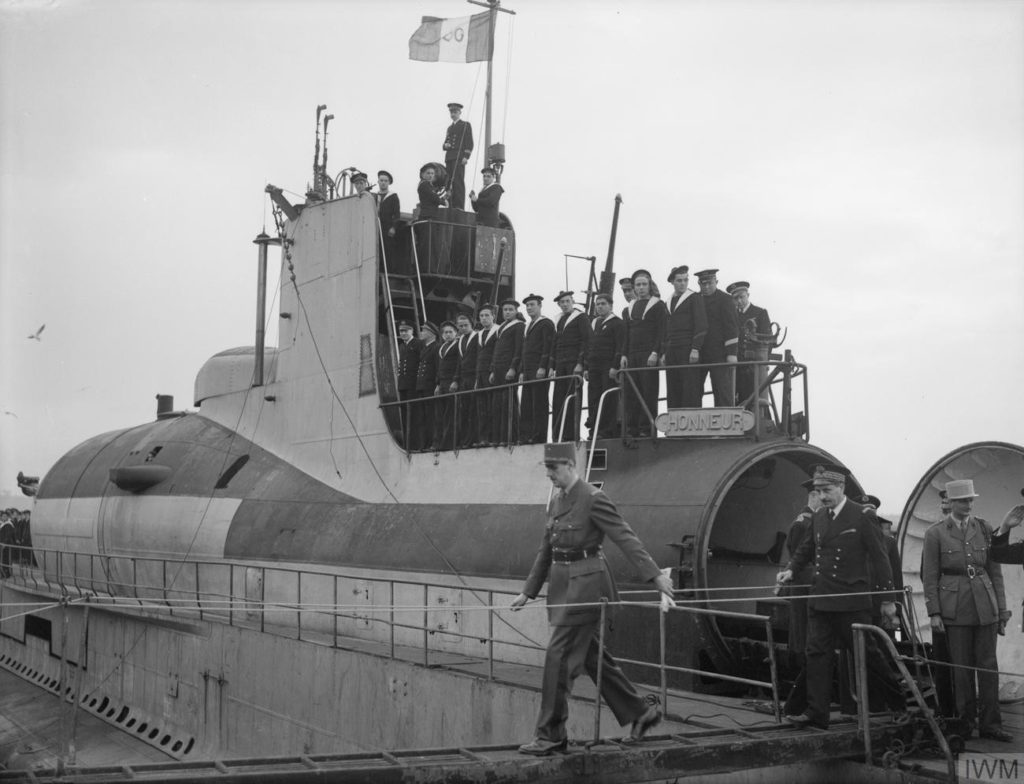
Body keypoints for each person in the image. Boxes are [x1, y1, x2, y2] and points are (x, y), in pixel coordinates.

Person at [511, 442, 677, 755]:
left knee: (557, 658)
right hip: (563, 590)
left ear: (571, 466)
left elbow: (624, 536)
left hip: (587, 589)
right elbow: (546, 549)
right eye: (547, 469)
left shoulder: (592, 498)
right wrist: (528, 591)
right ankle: (642, 713)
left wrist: (655, 576)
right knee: (592, 658)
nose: (549, 475)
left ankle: (551, 735)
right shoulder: (557, 501)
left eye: (554, 469)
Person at [776, 465, 906, 729]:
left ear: (841, 488)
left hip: (850, 601)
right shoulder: (820, 517)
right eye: (819, 491)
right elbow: (806, 548)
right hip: (822, 598)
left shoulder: (862, 517)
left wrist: (888, 600)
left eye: (827, 491)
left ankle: (898, 704)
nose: (823, 496)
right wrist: (790, 569)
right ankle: (816, 713)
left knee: (868, 655)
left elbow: (882, 560)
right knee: (817, 655)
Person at [921, 479, 1012, 741]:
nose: (968, 504)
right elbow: (929, 577)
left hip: (985, 606)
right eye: (962, 500)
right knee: (961, 668)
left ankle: (991, 724)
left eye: (971, 500)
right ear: (950, 502)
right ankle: (965, 722)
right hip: (955, 608)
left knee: (988, 666)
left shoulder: (983, 528)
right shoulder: (935, 533)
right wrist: (934, 612)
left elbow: (996, 573)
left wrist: (1002, 612)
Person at [780, 477, 821, 717]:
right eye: (820, 493)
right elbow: (799, 558)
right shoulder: (802, 523)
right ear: (812, 496)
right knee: (804, 638)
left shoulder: (815, 520)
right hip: (805, 587)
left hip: (811, 587)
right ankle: (801, 697)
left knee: (811, 638)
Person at [620, 270, 666, 438]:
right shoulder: (629, 308)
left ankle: (647, 428)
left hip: (648, 354)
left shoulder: (658, 305)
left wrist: (655, 352)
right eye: (637, 285)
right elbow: (627, 332)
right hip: (632, 354)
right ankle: (631, 429)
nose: (641, 288)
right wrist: (624, 354)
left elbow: (661, 331)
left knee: (648, 392)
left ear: (649, 285)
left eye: (644, 284)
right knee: (631, 393)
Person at [662, 266, 708, 408]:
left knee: (690, 388)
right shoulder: (668, 302)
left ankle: (691, 426)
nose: (683, 283)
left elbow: (702, 325)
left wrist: (695, 348)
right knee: (673, 387)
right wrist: (664, 352)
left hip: (687, 349)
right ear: (672, 282)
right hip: (672, 350)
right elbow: (666, 329)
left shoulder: (694, 298)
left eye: (685, 280)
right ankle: (675, 424)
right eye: (679, 280)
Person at [549, 291, 591, 442]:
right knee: (558, 399)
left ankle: (571, 434)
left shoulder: (581, 317)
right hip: (560, 364)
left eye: (567, 301)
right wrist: (552, 366)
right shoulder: (558, 320)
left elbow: (586, 341)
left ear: (572, 301)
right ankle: (557, 434)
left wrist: (581, 363)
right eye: (562, 302)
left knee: (573, 399)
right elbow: (554, 344)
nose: (565, 304)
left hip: (574, 363)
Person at [695, 270, 739, 407]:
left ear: (716, 282)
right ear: (699, 283)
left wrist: (732, 353)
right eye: (703, 284)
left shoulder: (725, 299)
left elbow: (731, 328)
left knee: (722, 390)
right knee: (695, 390)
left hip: (719, 353)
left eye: (710, 283)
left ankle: (724, 425)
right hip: (699, 352)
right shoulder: (695, 299)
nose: (707, 287)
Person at [585, 293, 625, 439]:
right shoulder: (594, 323)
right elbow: (590, 346)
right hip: (594, 367)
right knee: (593, 398)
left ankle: (606, 430)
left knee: (608, 398)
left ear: (610, 305)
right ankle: (594, 430)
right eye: (598, 304)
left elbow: (619, 346)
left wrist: (615, 366)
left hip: (608, 366)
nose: (600, 306)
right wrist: (587, 367)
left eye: (603, 304)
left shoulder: (617, 323)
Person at [727, 281, 771, 410]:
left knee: (757, 400)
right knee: (736, 400)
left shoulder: (760, 313)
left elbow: (767, 341)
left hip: (754, 366)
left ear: (748, 295)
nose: (739, 301)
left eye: (742, 297)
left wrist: (762, 362)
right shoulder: (732, 315)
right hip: (737, 365)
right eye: (736, 298)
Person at [519, 294, 554, 444]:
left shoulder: (546, 323)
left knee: (539, 403)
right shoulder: (528, 326)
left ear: (540, 306)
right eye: (527, 306)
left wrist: (543, 367)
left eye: (532, 305)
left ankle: (539, 435)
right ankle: (526, 435)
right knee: (527, 403)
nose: (529, 308)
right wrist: (521, 371)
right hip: (527, 370)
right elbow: (524, 350)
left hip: (538, 369)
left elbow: (548, 347)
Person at [489, 299, 525, 444]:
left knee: (509, 402)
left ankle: (510, 437)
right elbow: (496, 351)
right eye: (505, 310)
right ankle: (498, 437)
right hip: (498, 370)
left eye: (510, 309)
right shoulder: (501, 327)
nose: (508, 312)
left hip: (508, 369)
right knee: (497, 404)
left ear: (516, 311)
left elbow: (518, 348)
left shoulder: (519, 326)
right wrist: (492, 370)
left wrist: (513, 368)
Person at [474, 305, 500, 446]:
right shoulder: (479, 334)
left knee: (492, 405)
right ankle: (483, 437)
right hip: (480, 373)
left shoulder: (497, 330)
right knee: (482, 406)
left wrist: (493, 370)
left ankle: (492, 437)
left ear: (493, 316)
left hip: (490, 373)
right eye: (481, 316)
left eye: (486, 315)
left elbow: (497, 352)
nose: (484, 318)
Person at [414, 322, 441, 450]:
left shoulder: (436, 347)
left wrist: (438, 384)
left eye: (424, 331)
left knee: (431, 416)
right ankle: (424, 443)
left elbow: (437, 368)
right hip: (422, 386)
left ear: (431, 333)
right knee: (423, 417)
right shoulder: (425, 348)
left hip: (430, 386)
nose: (421, 333)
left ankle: (432, 442)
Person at [443, 102, 473, 210]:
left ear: (460, 112)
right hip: (449, 157)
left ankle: (459, 206)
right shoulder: (449, 128)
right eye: (451, 112)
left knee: (458, 181)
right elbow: (445, 143)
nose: (453, 114)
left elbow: (469, 142)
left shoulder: (465, 125)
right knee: (448, 181)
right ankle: (450, 205)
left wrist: (466, 156)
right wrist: (445, 145)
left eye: (455, 112)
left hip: (459, 156)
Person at [396, 320, 421, 446]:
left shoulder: (417, 344)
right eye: (401, 331)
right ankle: (407, 442)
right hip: (403, 384)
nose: (403, 333)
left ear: (412, 331)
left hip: (413, 384)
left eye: (406, 330)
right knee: (405, 414)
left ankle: (414, 442)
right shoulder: (402, 346)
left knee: (414, 414)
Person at [455, 314, 480, 447]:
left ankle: (473, 439)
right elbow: (459, 362)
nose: (463, 328)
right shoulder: (460, 340)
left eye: (466, 325)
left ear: (471, 325)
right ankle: (464, 439)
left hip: (473, 377)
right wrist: (456, 379)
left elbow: (478, 358)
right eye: (461, 326)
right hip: (463, 379)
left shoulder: (477, 337)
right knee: (463, 409)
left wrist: (477, 378)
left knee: (473, 409)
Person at [377, 170, 402, 268]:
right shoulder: (375, 196)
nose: (383, 182)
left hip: (387, 227)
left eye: (385, 181)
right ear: (378, 181)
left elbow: (397, 214)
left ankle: (389, 270)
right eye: (381, 180)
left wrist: (394, 227)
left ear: (388, 183)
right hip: (377, 227)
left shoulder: (393, 196)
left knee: (388, 249)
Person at [0, 510, 14, 578]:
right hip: (2, 545)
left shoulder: (8, 524)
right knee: (2, 560)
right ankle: (2, 573)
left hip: (6, 546)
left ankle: (6, 574)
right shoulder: (2, 524)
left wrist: (4, 543)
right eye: (2, 516)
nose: (3, 517)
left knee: (5, 560)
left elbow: (8, 535)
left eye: (5, 516)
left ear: (7, 517)